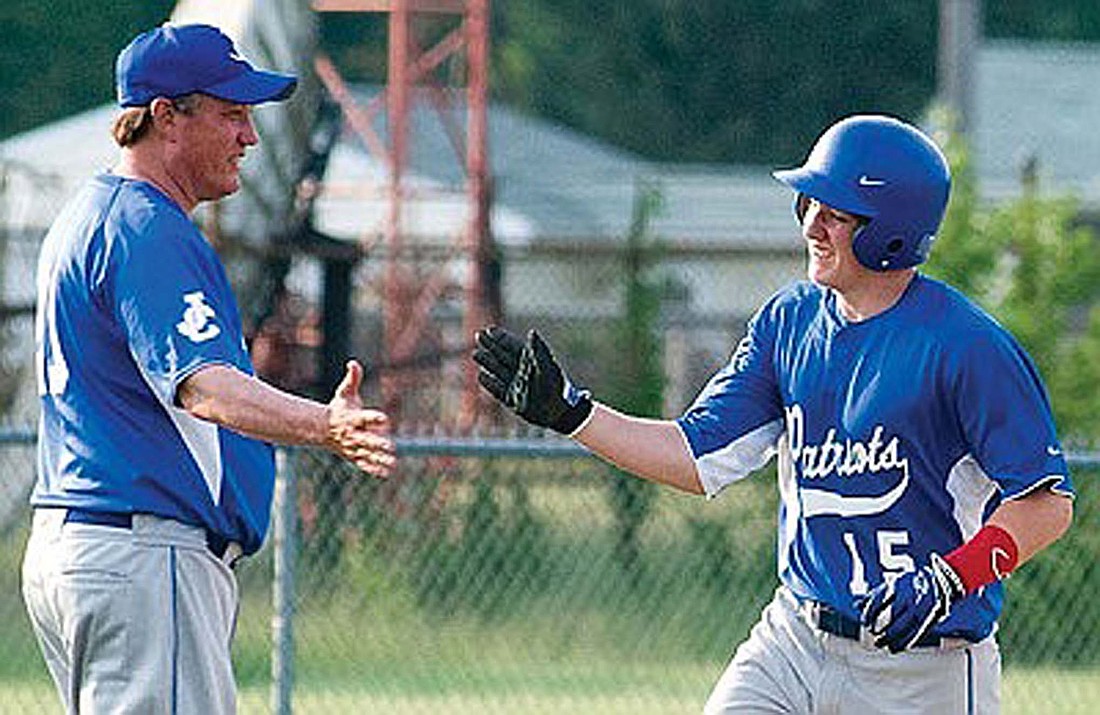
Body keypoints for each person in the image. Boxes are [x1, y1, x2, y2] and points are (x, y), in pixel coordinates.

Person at [474, 114, 1074, 714]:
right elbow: (696, 457)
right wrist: (572, 413)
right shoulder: (789, 322)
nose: (812, 224)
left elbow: (1047, 503)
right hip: (795, 641)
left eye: (836, 213)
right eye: (810, 204)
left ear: (891, 231)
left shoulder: (966, 347)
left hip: (924, 667)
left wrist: (954, 577)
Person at [23, 23, 396, 714]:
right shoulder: (145, 226)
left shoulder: (90, 215)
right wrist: (326, 424)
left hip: (94, 542)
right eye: (230, 114)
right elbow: (203, 384)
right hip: (142, 546)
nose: (249, 138)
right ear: (166, 117)